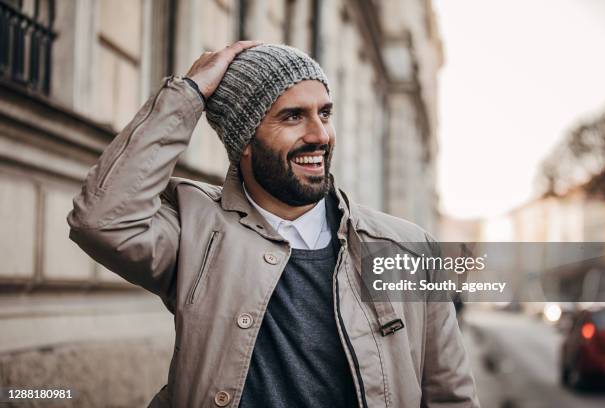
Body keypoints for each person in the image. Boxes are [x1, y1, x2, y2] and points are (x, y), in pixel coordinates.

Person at [67, 41, 479, 408]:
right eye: (293, 116)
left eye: (325, 113)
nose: (320, 135)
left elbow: (450, 395)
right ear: (244, 140)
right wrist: (188, 95)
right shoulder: (195, 233)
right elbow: (101, 221)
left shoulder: (406, 249)